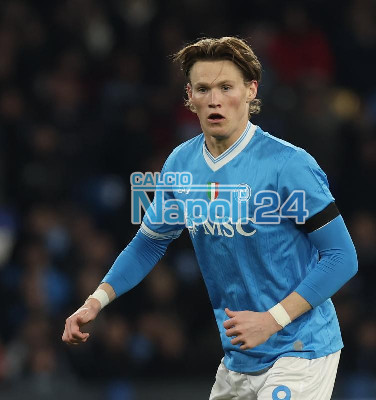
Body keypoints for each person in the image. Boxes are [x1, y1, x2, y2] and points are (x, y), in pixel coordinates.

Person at [62, 36, 358, 400]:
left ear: (251, 91)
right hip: (240, 358)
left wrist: (272, 320)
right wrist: (96, 300)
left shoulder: (289, 165)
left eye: (226, 87)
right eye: (203, 89)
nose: (214, 99)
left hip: (301, 348)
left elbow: (342, 257)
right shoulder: (180, 165)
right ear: (190, 96)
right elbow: (148, 243)